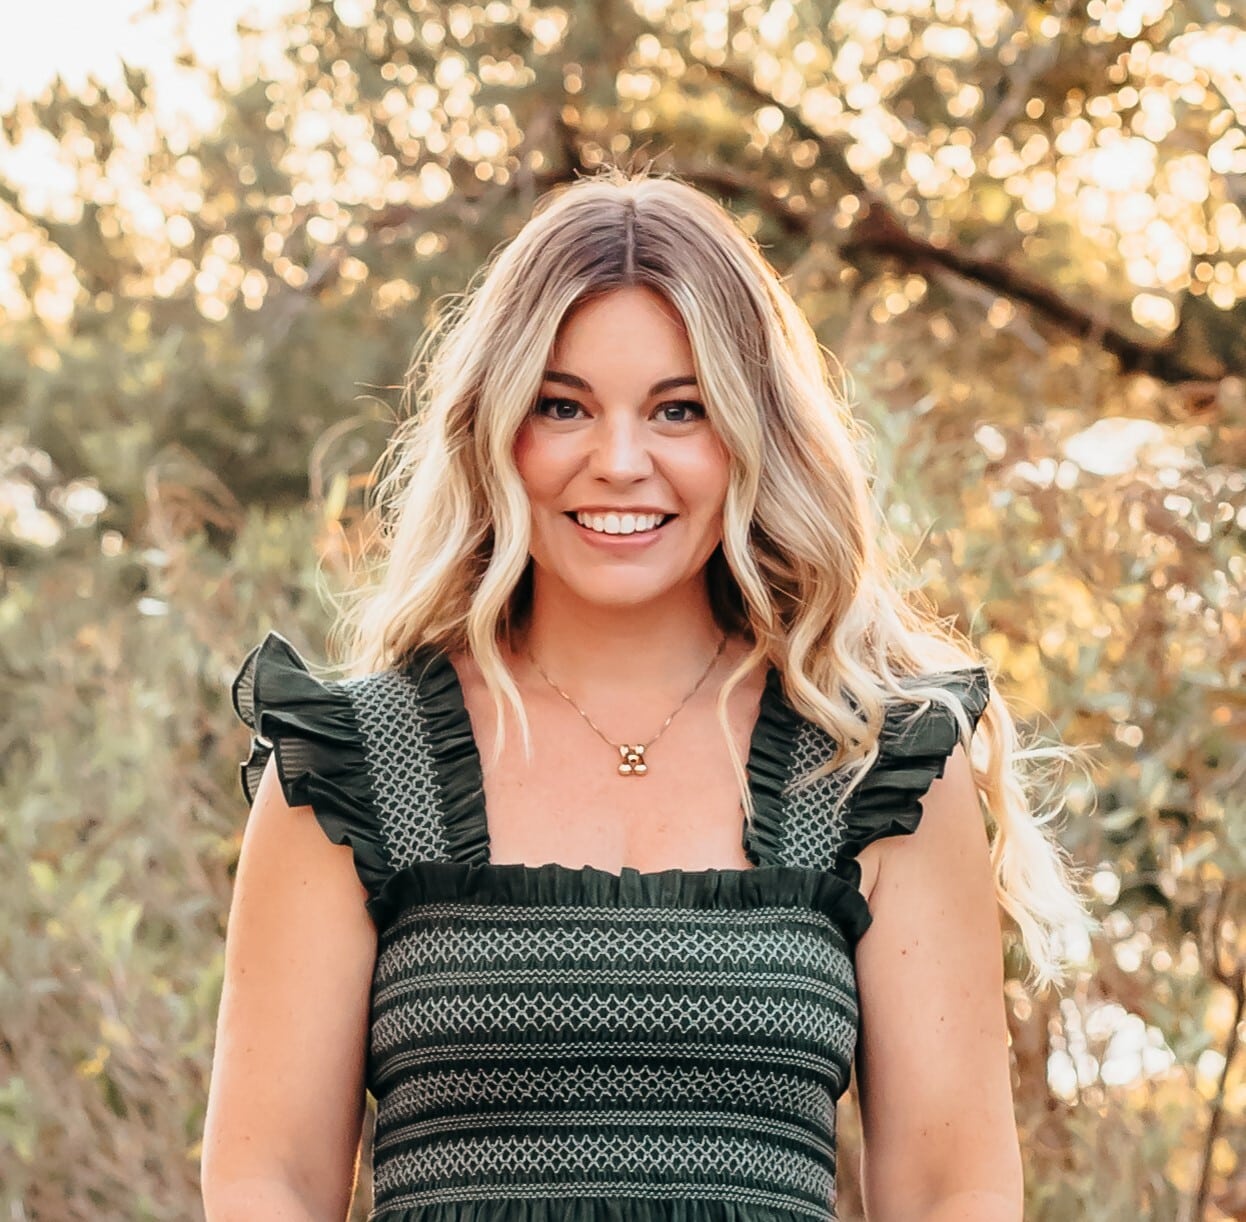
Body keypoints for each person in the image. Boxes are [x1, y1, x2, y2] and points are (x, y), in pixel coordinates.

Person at [200, 167, 1088, 1222]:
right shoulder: (352, 764)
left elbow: (954, 1193)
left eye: (680, 409)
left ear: (753, 435)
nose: (619, 462)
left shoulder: (873, 763)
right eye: (562, 405)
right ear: (494, 426)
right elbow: (271, 1185)